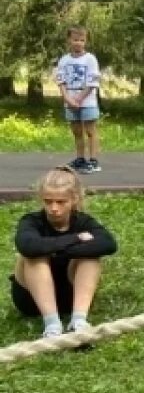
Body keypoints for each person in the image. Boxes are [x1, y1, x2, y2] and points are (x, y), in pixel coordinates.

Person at [10, 167, 117, 337]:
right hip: (32, 300)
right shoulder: (32, 221)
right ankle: (52, 325)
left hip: (70, 295)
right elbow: (27, 246)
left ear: (74, 200)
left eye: (61, 202)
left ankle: (78, 321)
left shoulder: (83, 221)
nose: (53, 208)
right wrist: (75, 239)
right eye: (48, 201)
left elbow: (108, 244)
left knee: (90, 258)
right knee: (34, 256)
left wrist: (56, 250)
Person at [54, 27, 102, 174]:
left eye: (82, 40)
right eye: (75, 40)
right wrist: (68, 99)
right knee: (76, 131)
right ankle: (80, 159)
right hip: (70, 101)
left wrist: (79, 98)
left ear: (86, 41)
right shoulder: (64, 60)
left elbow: (92, 82)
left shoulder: (90, 59)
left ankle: (93, 161)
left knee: (90, 131)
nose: (78, 43)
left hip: (87, 102)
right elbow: (61, 81)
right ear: (69, 40)